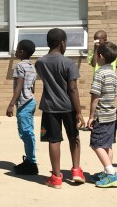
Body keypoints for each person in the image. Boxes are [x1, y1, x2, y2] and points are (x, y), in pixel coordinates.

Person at [35, 28, 85, 189]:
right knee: (74, 137)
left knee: (54, 140)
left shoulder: (40, 62)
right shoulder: (68, 63)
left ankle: (56, 177)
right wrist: (78, 112)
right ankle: (76, 170)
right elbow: (73, 89)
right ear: (63, 43)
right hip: (69, 107)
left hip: (50, 107)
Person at [88, 41, 117, 188]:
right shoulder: (113, 73)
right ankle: (107, 170)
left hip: (101, 114)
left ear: (100, 56)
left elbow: (95, 96)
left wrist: (91, 116)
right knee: (107, 145)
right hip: (112, 114)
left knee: (96, 144)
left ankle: (111, 173)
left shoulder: (100, 73)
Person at [6, 39, 39, 175]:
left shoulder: (20, 66)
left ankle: (31, 163)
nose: (16, 51)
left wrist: (11, 104)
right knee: (28, 132)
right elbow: (33, 88)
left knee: (26, 133)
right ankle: (30, 160)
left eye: (18, 48)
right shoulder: (32, 66)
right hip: (31, 101)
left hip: (24, 104)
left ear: (22, 51)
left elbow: (19, 86)